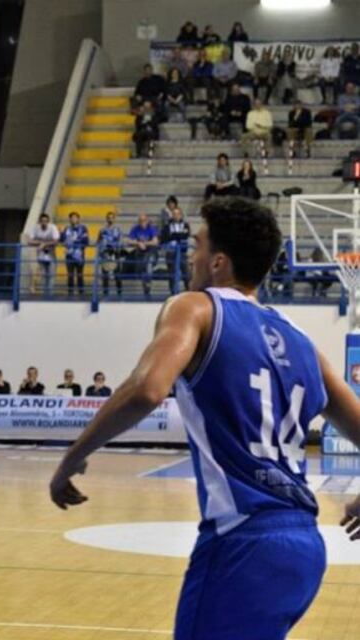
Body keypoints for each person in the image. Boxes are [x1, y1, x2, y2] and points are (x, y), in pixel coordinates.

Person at [50, 196, 360, 638]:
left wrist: (74, 456)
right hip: (304, 547)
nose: (190, 257)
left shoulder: (195, 307)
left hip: (242, 539)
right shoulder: (303, 342)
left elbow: (146, 390)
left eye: (196, 245)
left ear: (218, 261)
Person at [27, 213, 60, 296]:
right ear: (39, 222)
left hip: (51, 255)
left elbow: (56, 241)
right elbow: (29, 241)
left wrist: (44, 244)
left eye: (45, 221)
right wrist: (42, 243)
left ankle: (50, 294)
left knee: (51, 275)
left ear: (48, 222)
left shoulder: (52, 227)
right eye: (42, 221)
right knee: (43, 276)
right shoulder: (35, 228)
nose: (44, 223)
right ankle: (44, 295)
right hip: (40, 255)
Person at [127, 213, 160, 297]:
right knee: (142, 269)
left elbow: (155, 241)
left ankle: (148, 284)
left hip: (151, 252)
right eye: (140, 221)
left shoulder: (151, 229)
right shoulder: (135, 229)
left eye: (144, 220)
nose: (142, 223)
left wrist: (145, 243)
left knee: (148, 265)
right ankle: (146, 287)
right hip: (141, 253)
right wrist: (138, 243)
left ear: (147, 221)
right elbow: (129, 241)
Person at [161, 206, 192, 293]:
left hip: (182, 252)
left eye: (178, 214)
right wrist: (176, 236)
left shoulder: (185, 225)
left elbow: (185, 235)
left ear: (181, 215)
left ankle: (188, 291)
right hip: (171, 252)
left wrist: (174, 236)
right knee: (172, 274)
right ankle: (173, 292)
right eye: (174, 214)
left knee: (186, 272)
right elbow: (165, 237)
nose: (176, 216)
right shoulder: (167, 226)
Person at [61, 212, 89, 297]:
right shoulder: (66, 229)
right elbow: (62, 241)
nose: (73, 219)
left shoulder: (83, 228)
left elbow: (86, 241)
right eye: (72, 218)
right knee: (70, 274)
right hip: (69, 255)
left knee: (80, 274)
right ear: (69, 219)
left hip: (79, 255)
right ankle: (70, 293)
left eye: (75, 218)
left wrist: (77, 247)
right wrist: (61, 233)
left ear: (78, 219)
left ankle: (81, 292)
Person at [98, 212, 123, 297]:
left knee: (117, 273)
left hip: (115, 253)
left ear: (114, 219)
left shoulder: (118, 229)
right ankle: (105, 292)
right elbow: (98, 241)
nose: (110, 219)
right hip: (105, 253)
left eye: (112, 217)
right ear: (106, 219)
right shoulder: (102, 230)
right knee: (105, 273)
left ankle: (119, 291)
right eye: (108, 217)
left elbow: (120, 241)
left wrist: (116, 249)